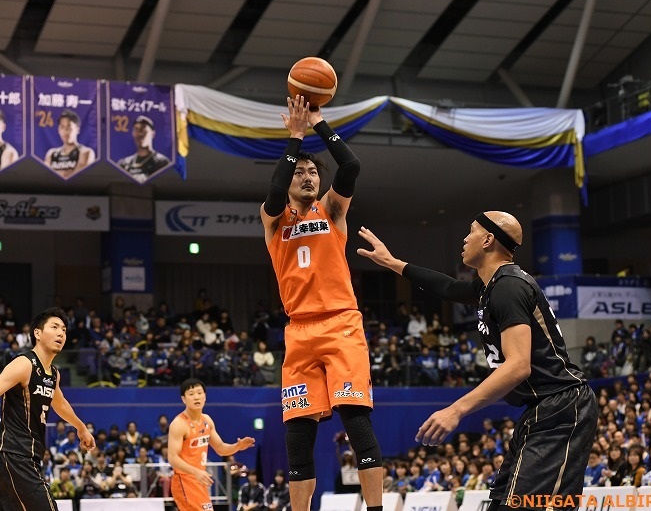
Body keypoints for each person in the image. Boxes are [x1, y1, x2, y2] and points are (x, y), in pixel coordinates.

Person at [357, 211, 598, 511]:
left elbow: (518, 365)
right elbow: (446, 287)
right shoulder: (492, 286)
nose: (464, 238)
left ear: (487, 240)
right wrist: (392, 262)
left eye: (471, 231)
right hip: (542, 409)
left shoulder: (509, 287)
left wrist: (456, 410)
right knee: (500, 504)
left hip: (561, 408)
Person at [260, 96, 383, 511]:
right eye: (300, 172)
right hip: (299, 330)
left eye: (313, 171)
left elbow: (351, 166)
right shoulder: (273, 219)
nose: (308, 176)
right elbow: (274, 190)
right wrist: (294, 139)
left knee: (356, 421)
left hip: (341, 323)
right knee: (298, 435)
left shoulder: (331, 209)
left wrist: (318, 124)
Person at [0, 307, 96, 510]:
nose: (61, 333)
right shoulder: (24, 364)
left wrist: (81, 428)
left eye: (64, 329)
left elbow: (60, 403)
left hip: (28, 458)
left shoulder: (53, 374)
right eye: (54, 327)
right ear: (37, 333)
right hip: (14, 455)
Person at [168, 378, 255, 511]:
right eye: (191, 394)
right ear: (183, 399)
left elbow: (220, 448)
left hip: (200, 480)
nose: (196, 397)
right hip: (184, 480)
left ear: (205, 396)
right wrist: (196, 471)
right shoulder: (179, 424)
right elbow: (173, 458)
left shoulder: (207, 420)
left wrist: (237, 446)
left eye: (199, 393)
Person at [43, 109, 96, 178]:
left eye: (69, 127)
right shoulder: (51, 154)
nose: (65, 131)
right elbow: (46, 176)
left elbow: (78, 177)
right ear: (59, 130)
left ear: (77, 129)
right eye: (62, 127)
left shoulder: (86, 152)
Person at [117, 115, 169, 183]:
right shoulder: (124, 163)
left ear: (153, 134)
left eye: (143, 129)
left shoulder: (162, 162)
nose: (140, 134)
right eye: (136, 129)